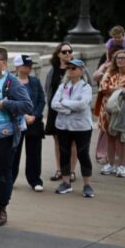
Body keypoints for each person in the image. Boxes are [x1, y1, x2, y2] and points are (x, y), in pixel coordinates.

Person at [0, 47, 33, 227]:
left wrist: (7, 103)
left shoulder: (12, 82)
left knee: (3, 173)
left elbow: (27, 105)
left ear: (3, 62)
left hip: (5, 136)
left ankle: (2, 208)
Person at [51, 59, 95, 197]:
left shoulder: (86, 87)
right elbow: (53, 104)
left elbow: (82, 104)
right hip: (63, 126)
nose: (70, 70)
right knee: (64, 154)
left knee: (83, 154)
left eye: (73, 68)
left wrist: (64, 103)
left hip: (81, 127)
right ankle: (66, 182)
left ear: (81, 70)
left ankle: (87, 185)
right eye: (68, 68)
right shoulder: (62, 86)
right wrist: (70, 108)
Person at [99, 49, 125, 178]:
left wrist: (114, 90)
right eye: (118, 58)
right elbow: (103, 88)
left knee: (123, 138)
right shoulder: (109, 73)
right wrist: (120, 89)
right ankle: (110, 164)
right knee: (110, 137)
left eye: (123, 58)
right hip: (108, 110)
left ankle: (121, 166)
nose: (120, 60)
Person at [11, 54, 45, 192]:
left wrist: (34, 116)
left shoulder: (35, 82)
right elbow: (10, 101)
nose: (29, 68)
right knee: (14, 152)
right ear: (18, 66)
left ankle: (35, 180)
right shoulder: (11, 82)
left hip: (34, 122)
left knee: (34, 153)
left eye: (30, 65)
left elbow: (42, 101)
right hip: (17, 122)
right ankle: (10, 179)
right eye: (26, 65)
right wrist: (23, 115)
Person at [45, 43, 78, 181]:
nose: (67, 54)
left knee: (72, 142)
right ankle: (59, 169)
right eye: (64, 52)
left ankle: (71, 171)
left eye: (70, 51)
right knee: (58, 141)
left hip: (72, 111)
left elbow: (85, 85)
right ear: (58, 54)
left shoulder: (77, 68)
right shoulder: (52, 70)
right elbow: (48, 89)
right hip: (55, 110)